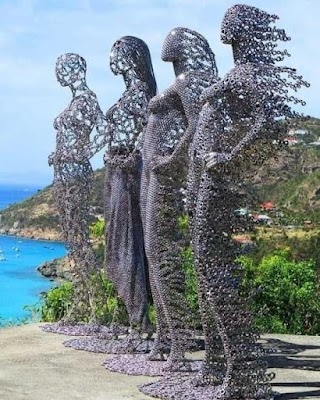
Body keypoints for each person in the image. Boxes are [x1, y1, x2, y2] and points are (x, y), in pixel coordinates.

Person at [103, 36, 157, 347]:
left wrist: (126, 159)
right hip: (118, 174)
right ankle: (132, 316)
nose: (113, 60)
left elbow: (147, 138)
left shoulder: (143, 95)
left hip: (127, 176)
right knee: (119, 245)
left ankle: (139, 319)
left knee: (127, 245)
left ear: (134, 58)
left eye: (118, 54)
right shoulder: (132, 93)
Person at [49, 53, 107, 324]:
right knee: (73, 242)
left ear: (78, 71)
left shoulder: (87, 99)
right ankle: (83, 303)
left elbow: (104, 131)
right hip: (63, 175)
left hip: (74, 177)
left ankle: (96, 307)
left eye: (64, 69)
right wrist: (59, 154)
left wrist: (79, 154)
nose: (60, 74)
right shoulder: (75, 101)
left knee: (80, 241)